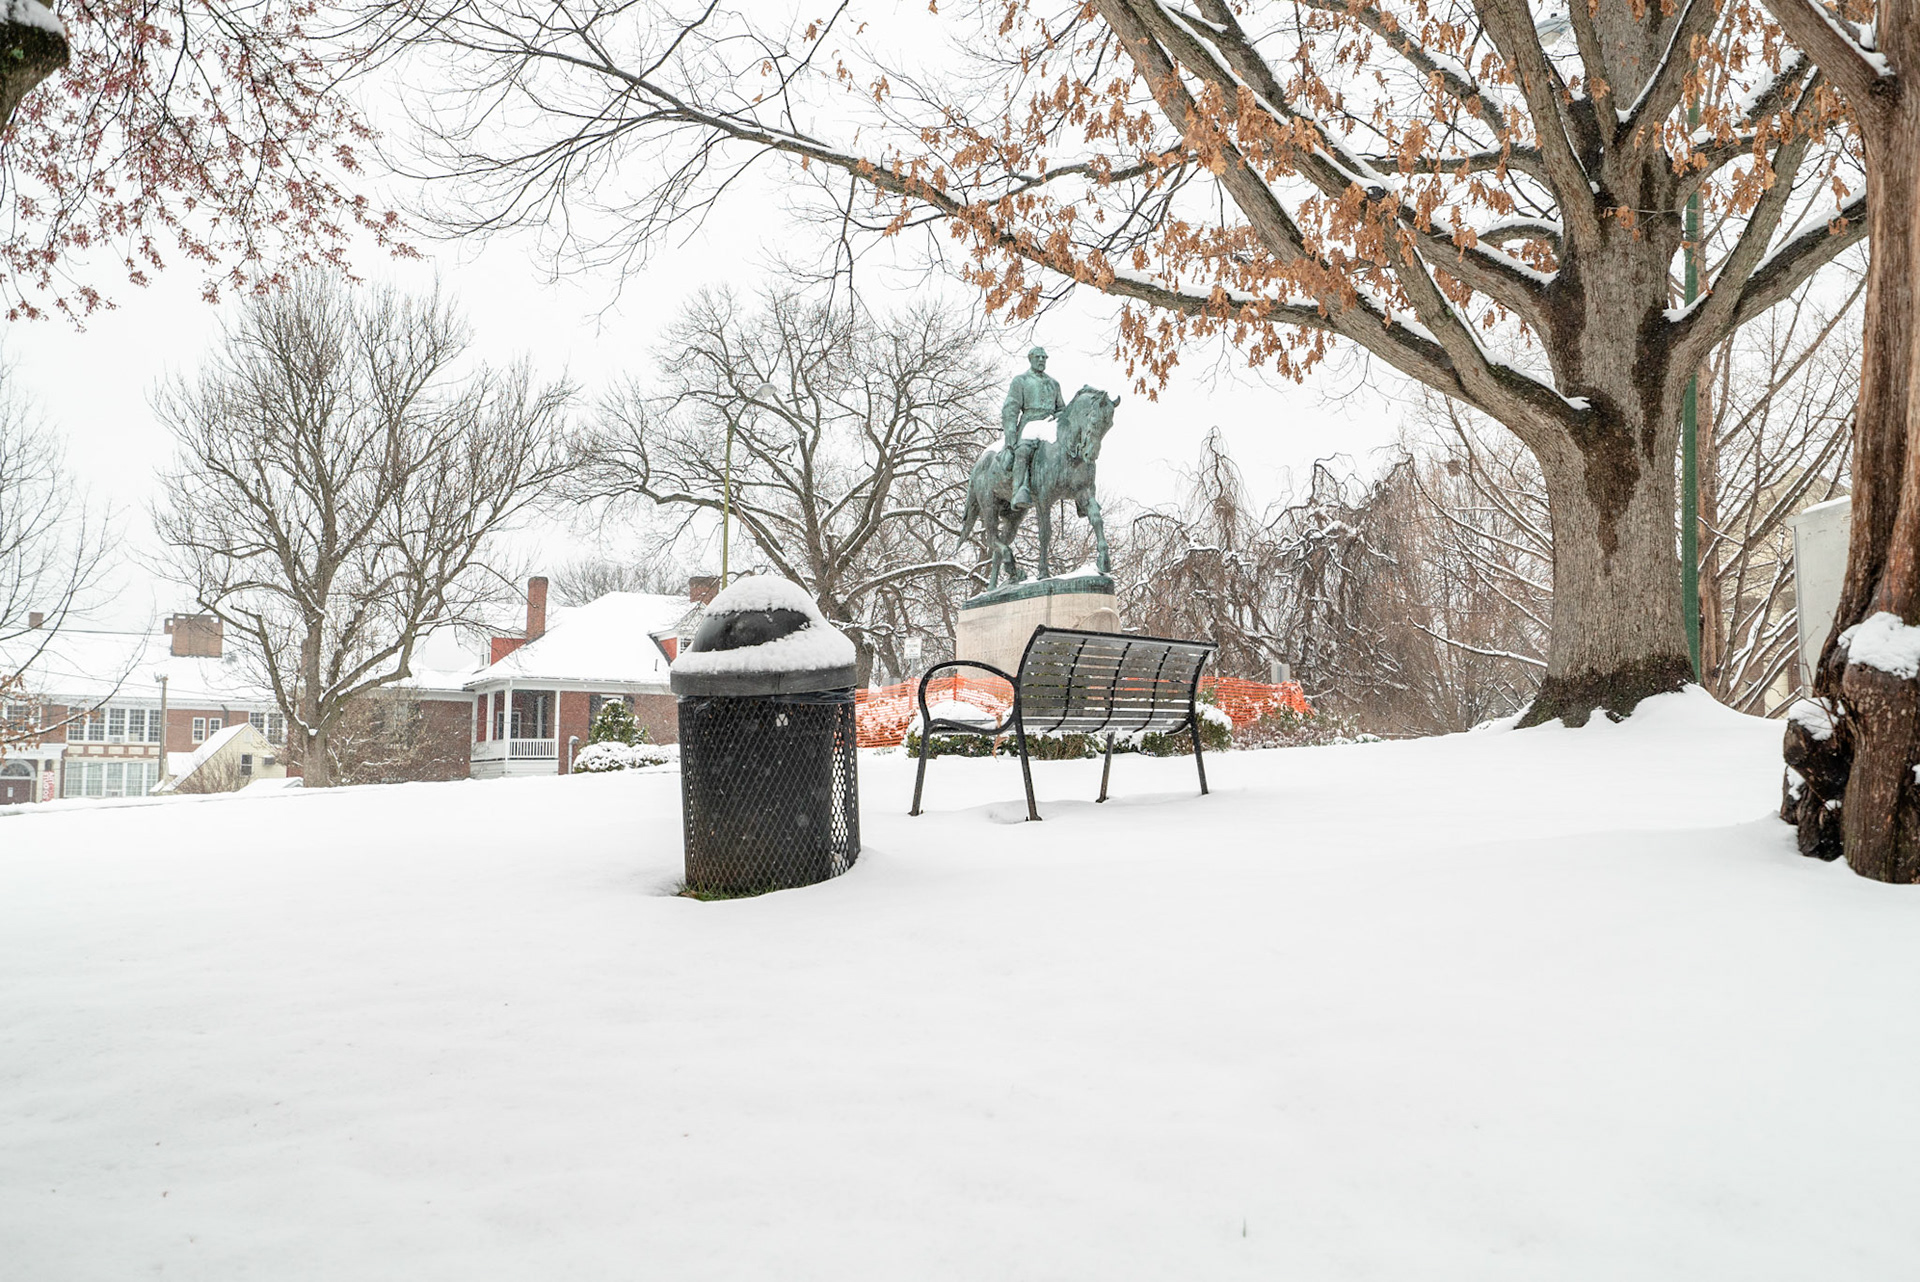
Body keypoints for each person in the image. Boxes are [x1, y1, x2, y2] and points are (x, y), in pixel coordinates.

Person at [1000, 346, 1066, 510]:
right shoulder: (1020, 381)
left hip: (1050, 425)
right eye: (1038, 357)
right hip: (1030, 423)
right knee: (1023, 452)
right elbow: (1011, 409)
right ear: (1030, 359)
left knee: (1072, 450)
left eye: (1044, 357)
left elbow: (1061, 409)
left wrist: (1061, 416)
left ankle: (1080, 493)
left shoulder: (1054, 383)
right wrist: (1011, 436)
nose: (1042, 360)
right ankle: (1019, 491)